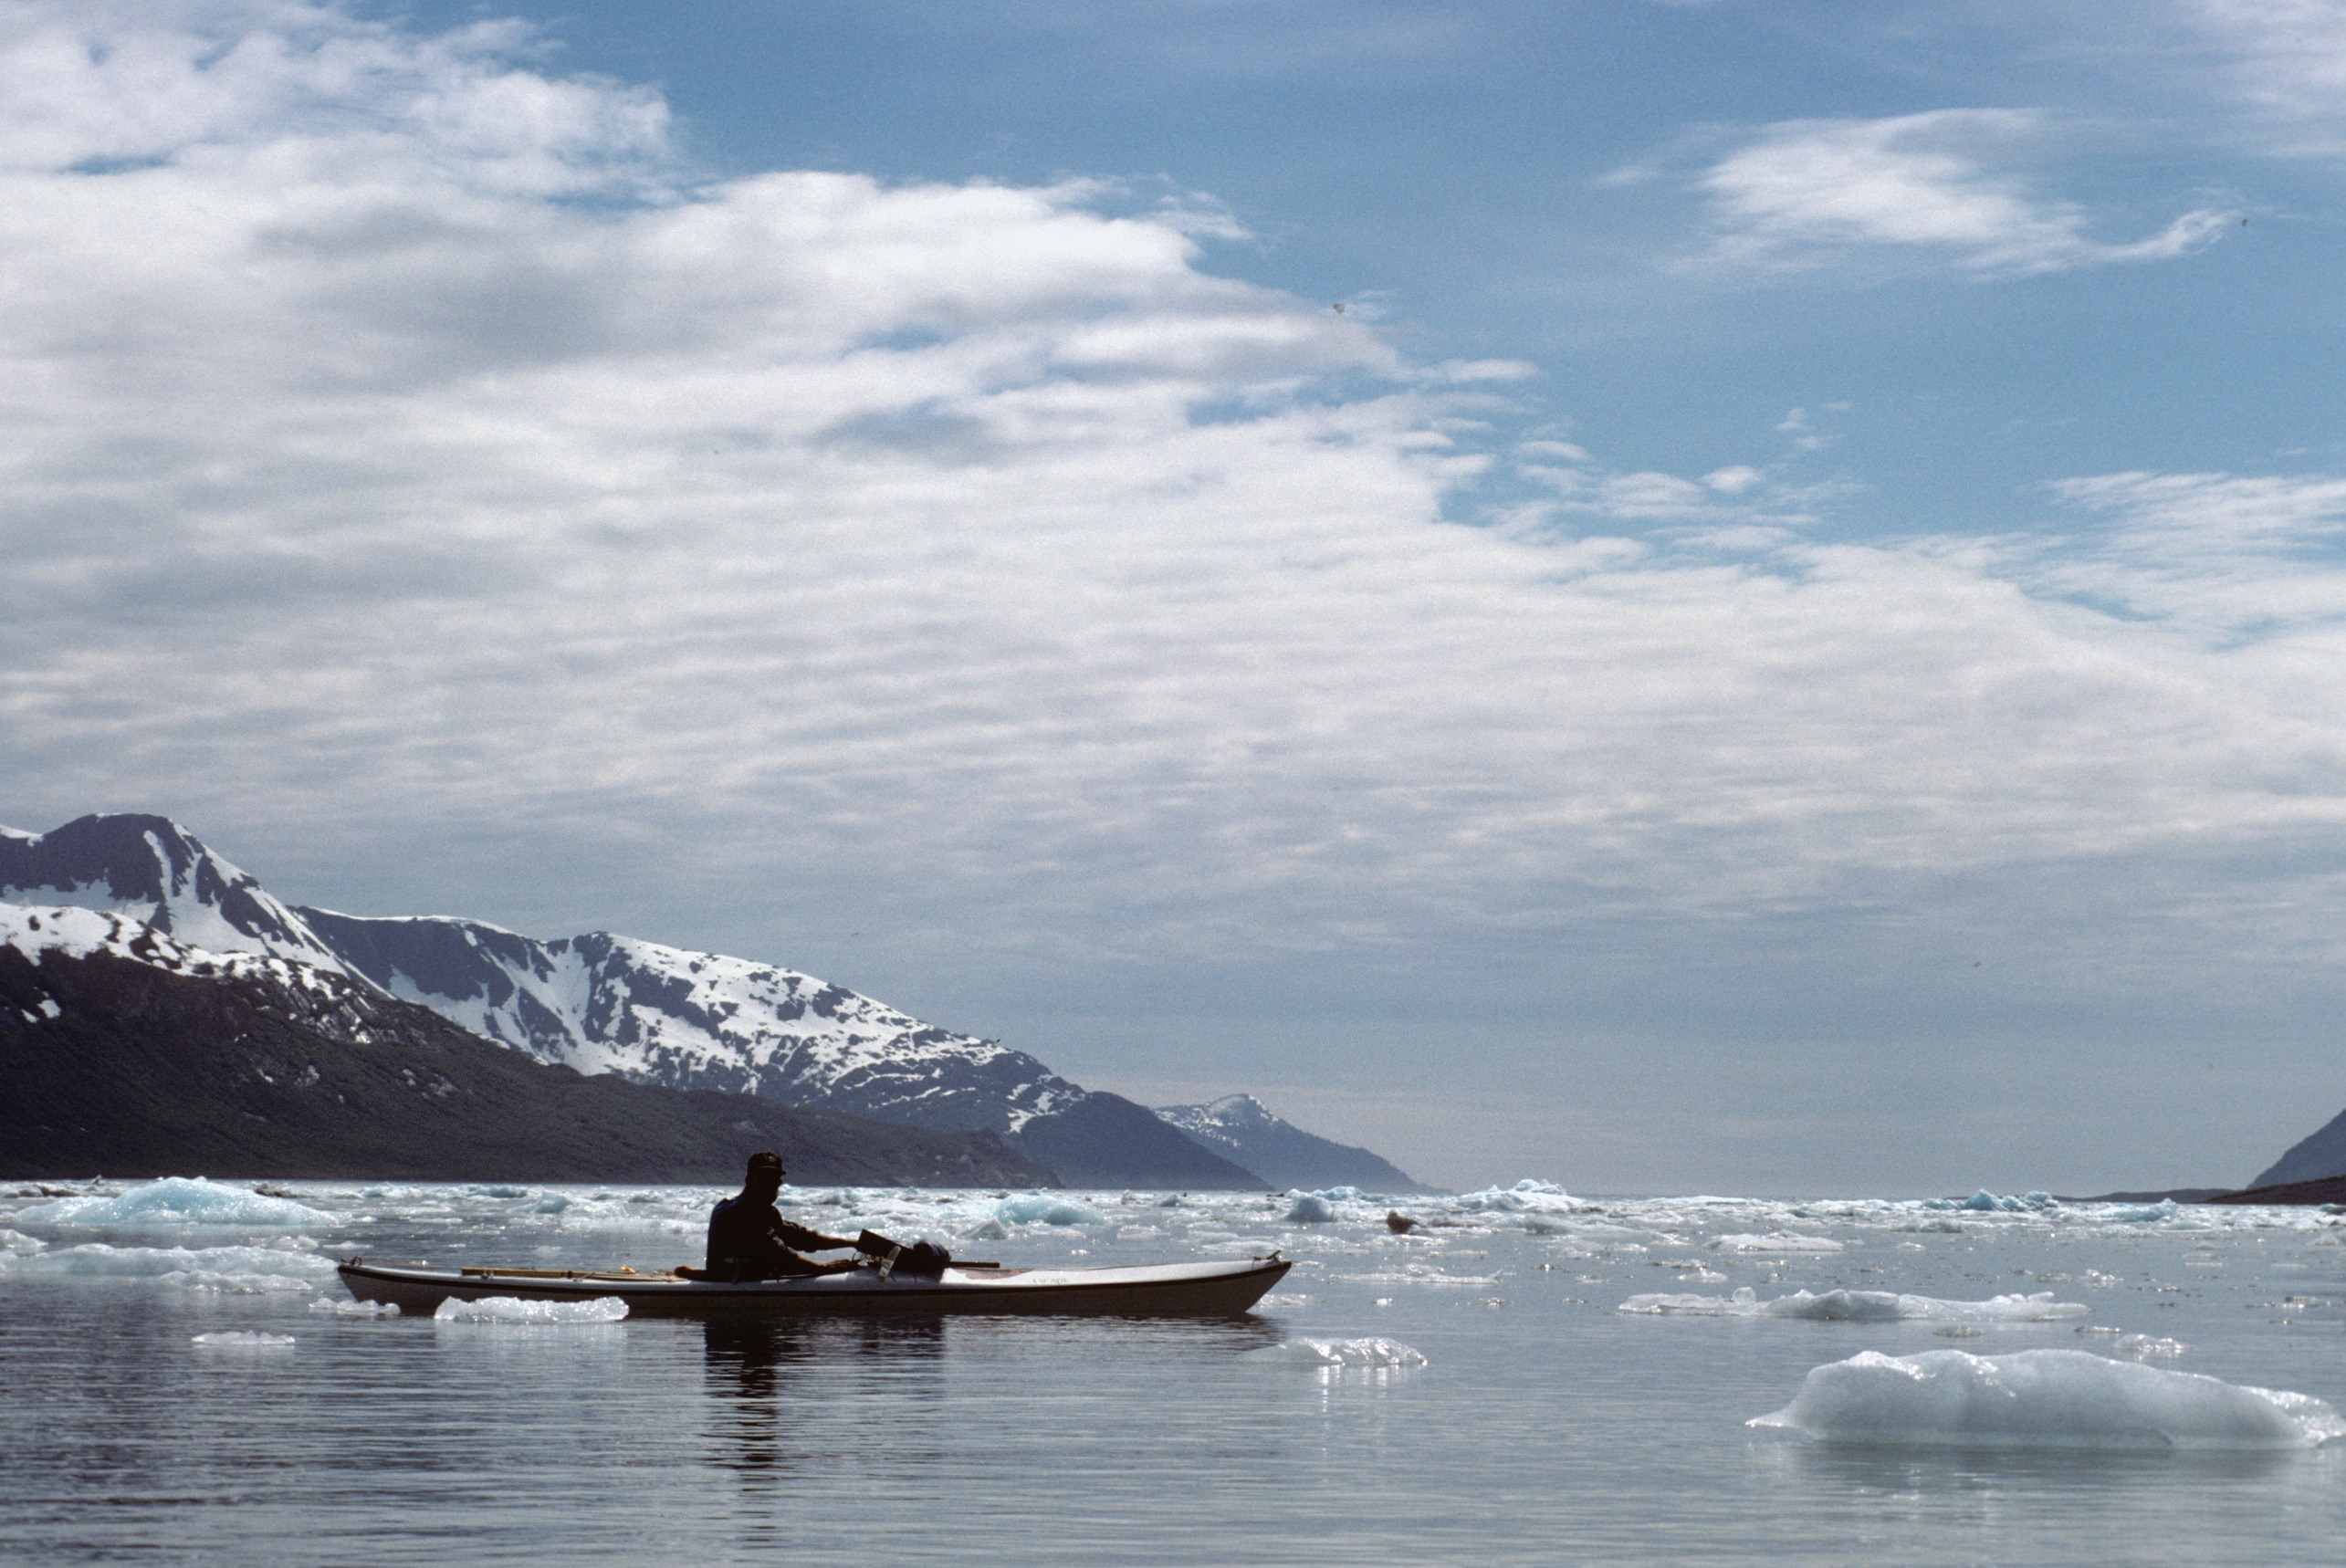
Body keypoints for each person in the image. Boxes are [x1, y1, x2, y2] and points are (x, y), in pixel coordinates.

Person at [703, 1151, 864, 1281]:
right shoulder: (743, 1212)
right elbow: (779, 1254)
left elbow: (801, 1237)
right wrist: (822, 1268)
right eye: (764, 1180)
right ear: (749, 1180)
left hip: (735, 1279)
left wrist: (854, 1243)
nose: (770, 1185)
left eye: (774, 1180)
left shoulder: (752, 1208)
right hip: (734, 1284)